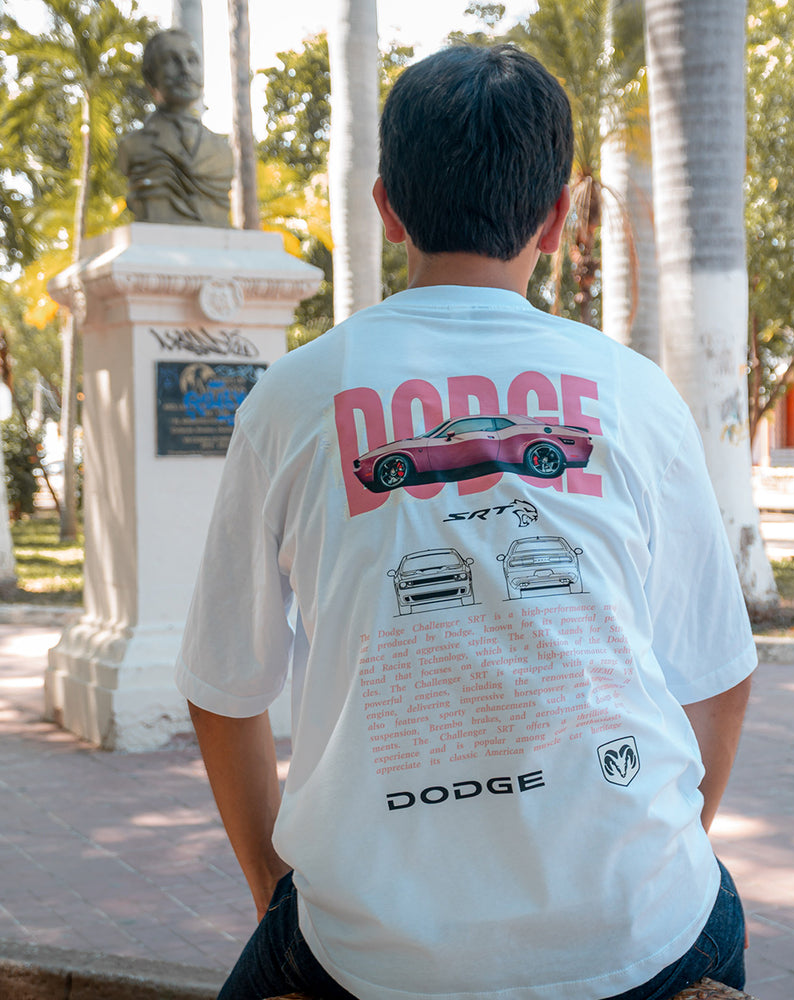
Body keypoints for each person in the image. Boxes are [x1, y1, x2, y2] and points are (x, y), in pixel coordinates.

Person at [175, 45, 756, 1000]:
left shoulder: (292, 398)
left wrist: (276, 889)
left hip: (370, 954)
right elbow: (718, 680)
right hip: (645, 935)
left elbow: (224, 691)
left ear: (387, 207)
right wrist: (647, 868)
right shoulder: (637, 394)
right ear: (558, 218)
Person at [116, 29, 232, 226]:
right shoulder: (133, 146)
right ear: (150, 76)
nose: (185, 70)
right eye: (172, 61)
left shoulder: (223, 151)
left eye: (192, 60)